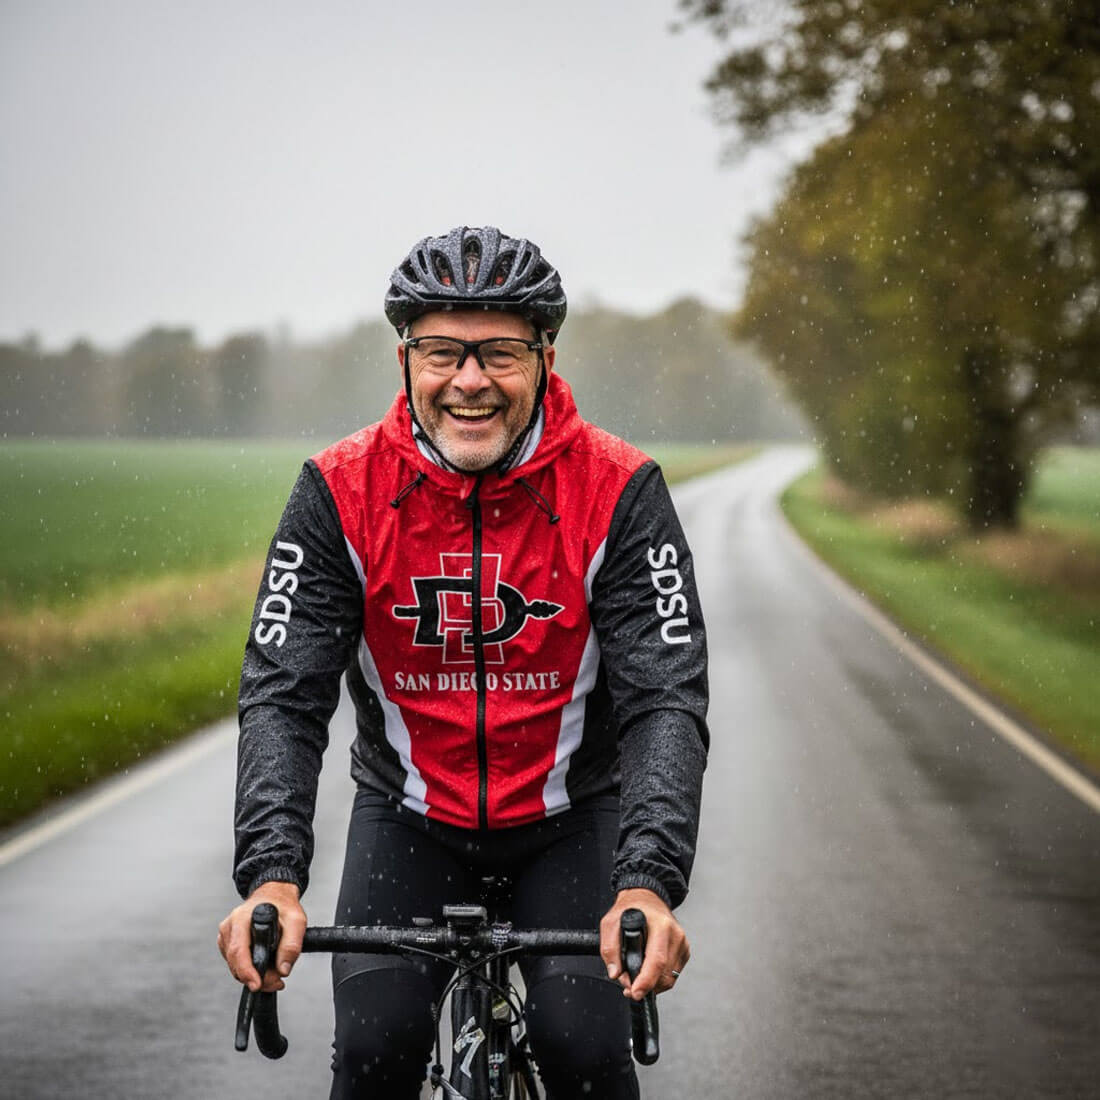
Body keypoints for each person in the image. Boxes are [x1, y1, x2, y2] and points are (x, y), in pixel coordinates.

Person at [218, 225, 709, 1098]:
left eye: (500, 353)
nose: (469, 380)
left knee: (589, 1055)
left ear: (545, 358)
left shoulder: (619, 490)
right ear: (406, 359)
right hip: (408, 820)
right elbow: (284, 699)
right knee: (374, 1054)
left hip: (572, 821)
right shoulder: (338, 491)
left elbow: (664, 700)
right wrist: (270, 875)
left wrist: (647, 885)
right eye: (442, 351)